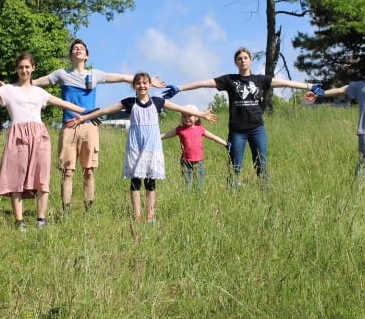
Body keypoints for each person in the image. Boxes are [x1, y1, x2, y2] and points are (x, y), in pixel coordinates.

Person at [0, 53, 86, 231]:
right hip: (18, 136)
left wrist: (85, 111)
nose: (24, 70)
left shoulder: (40, 92)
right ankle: (19, 221)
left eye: (27, 67)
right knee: (15, 177)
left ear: (33, 68)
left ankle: (41, 219)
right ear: (17, 69)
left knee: (42, 177)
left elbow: (62, 103)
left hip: (39, 136)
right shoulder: (7, 90)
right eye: (21, 67)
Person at [30, 39, 165, 212]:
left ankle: (89, 209)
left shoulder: (94, 74)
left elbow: (119, 77)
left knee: (89, 170)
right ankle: (66, 210)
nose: (78, 49)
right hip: (69, 126)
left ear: (87, 55)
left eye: (81, 48)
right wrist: (17, 86)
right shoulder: (61, 74)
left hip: (90, 126)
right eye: (75, 48)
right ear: (70, 55)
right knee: (67, 171)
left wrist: (144, 81)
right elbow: (38, 82)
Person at [163, 47, 325, 190]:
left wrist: (310, 86)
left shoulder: (260, 80)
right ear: (236, 62)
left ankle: (264, 189)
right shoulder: (229, 80)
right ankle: (233, 191)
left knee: (261, 162)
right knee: (235, 165)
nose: (242, 60)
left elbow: (287, 83)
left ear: (250, 60)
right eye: (239, 58)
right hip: (237, 131)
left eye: (245, 58)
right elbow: (204, 83)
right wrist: (179, 88)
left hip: (257, 129)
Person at [67, 73, 217, 223]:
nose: (142, 85)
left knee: (151, 183)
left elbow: (179, 108)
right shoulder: (129, 103)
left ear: (150, 85)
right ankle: (137, 215)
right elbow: (105, 111)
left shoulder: (158, 101)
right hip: (135, 147)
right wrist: (83, 118)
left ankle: (150, 215)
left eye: (145, 82)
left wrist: (201, 114)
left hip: (152, 147)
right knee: (136, 182)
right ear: (134, 86)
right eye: (138, 83)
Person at [161, 105, 227, 191]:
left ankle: (198, 198)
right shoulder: (180, 130)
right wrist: (153, 138)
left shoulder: (200, 129)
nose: (187, 118)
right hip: (185, 162)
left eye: (190, 116)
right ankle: (187, 199)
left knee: (199, 185)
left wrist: (225, 143)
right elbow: (166, 135)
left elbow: (213, 137)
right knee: (186, 185)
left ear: (196, 118)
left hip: (199, 162)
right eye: (184, 116)